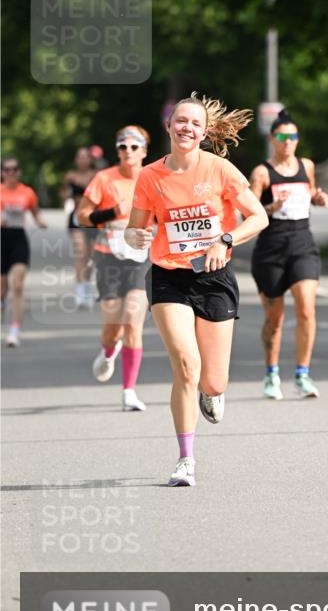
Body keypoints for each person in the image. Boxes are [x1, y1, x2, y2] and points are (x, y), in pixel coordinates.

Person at [125, 93, 268, 487]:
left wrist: (225, 239)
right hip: (169, 276)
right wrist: (135, 237)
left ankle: (212, 392)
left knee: (213, 380)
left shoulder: (220, 170)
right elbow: (135, 227)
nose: (186, 127)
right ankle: (185, 459)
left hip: (214, 277)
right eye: (180, 120)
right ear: (168, 125)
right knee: (186, 364)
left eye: (194, 123)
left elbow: (258, 217)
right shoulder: (151, 176)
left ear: (204, 133)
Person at [249, 109, 328, 401]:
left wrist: (318, 199)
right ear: (272, 139)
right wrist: (271, 207)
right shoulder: (261, 172)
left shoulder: (306, 166)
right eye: (282, 136)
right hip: (271, 249)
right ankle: (271, 373)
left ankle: (302, 374)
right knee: (275, 319)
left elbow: (309, 195)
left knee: (307, 309)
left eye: (293, 136)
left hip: (302, 244)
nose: (288, 142)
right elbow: (249, 211)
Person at [77, 127, 151, 412]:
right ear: (117, 151)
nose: (128, 151)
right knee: (112, 329)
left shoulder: (155, 178)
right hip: (108, 257)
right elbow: (82, 216)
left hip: (140, 258)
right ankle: (109, 351)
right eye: (123, 147)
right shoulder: (104, 178)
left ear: (144, 151)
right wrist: (111, 212)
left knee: (133, 319)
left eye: (134, 147)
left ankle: (129, 391)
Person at [1, 158, 48, 346]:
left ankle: (14, 330)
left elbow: (36, 212)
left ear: (19, 171)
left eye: (15, 169)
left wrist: (40, 222)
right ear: (2, 172)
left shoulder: (27, 192)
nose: (11, 173)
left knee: (18, 285)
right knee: (2, 290)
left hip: (19, 239)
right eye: (7, 169)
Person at [60, 146, 97, 308]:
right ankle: (79, 291)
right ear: (76, 160)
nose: (82, 160)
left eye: (85, 157)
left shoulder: (97, 176)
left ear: (90, 160)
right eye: (80, 157)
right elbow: (62, 193)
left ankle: (87, 287)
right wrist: (67, 196)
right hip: (75, 218)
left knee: (91, 257)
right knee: (80, 253)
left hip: (92, 218)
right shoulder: (70, 176)